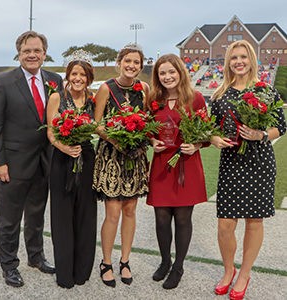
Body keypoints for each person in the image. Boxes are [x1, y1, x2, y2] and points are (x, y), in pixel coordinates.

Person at [210, 40, 286, 300]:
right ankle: (229, 270)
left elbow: (281, 126)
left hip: (259, 161)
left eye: (243, 56)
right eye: (233, 58)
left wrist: (260, 134)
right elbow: (211, 127)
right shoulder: (220, 94)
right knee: (225, 224)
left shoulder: (266, 91)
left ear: (251, 60)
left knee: (254, 221)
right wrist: (214, 139)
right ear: (228, 63)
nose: (238, 61)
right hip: (231, 163)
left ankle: (244, 273)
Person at [0, 31, 63, 287]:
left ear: (44, 53)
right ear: (19, 53)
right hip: (13, 164)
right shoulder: (3, 81)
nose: (32, 55)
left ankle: (36, 256)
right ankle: (9, 265)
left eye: (37, 50)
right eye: (27, 51)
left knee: (36, 215)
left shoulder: (54, 80)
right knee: (9, 219)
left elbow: (58, 120)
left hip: (45, 162)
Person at [146, 54, 208, 289]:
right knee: (161, 218)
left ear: (180, 72)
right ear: (157, 76)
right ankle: (164, 262)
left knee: (182, 218)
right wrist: (152, 142)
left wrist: (197, 145)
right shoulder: (154, 99)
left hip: (186, 164)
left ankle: (178, 266)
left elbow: (206, 133)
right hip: (162, 164)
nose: (167, 76)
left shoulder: (196, 98)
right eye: (162, 73)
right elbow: (147, 129)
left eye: (172, 71)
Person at [93, 44, 150, 287]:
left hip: (134, 156)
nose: (131, 66)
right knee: (113, 213)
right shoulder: (107, 88)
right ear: (119, 62)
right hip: (112, 155)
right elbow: (96, 124)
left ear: (140, 65)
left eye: (136, 62)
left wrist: (139, 139)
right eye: (127, 61)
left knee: (130, 211)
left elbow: (146, 121)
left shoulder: (144, 88)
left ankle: (125, 260)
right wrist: (118, 141)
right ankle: (106, 262)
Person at [46, 51, 97, 289]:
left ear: (88, 77)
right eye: (74, 74)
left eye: (83, 74)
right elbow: (50, 131)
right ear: (67, 76)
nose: (78, 78)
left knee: (86, 214)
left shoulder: (93, 99)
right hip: (62, 159)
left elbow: (97, 128)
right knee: (62, 216)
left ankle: (82, 270)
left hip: (86, 159)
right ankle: (65, 273)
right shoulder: (57, 97)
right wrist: (64, 148)